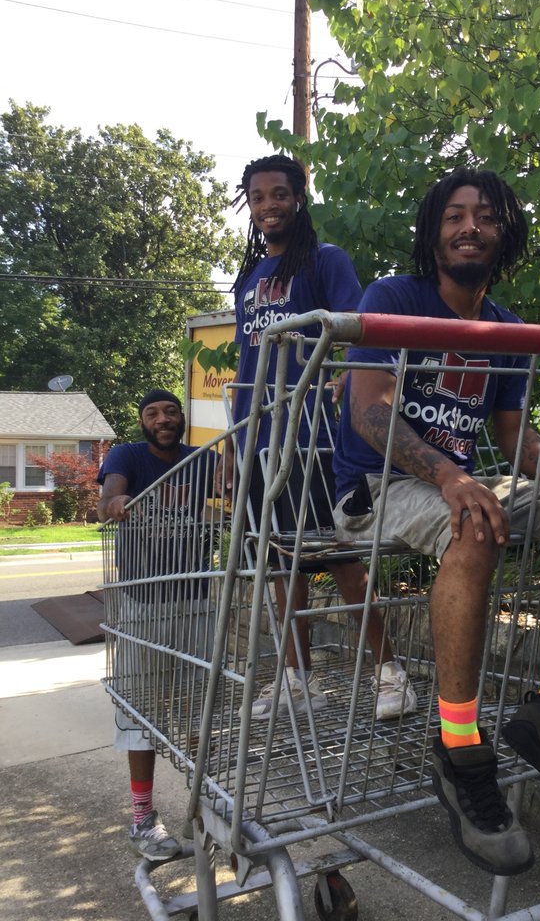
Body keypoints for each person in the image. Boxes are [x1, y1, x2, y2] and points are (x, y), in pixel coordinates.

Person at [332, 167, 540, 875]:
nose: (471, 226)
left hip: (463, 482)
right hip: (378, 486)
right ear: (433, 232)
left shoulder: (505, 328)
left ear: (506, 232)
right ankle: (460, 748)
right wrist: (448, 475)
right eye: (455, 215)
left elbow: (515, 437)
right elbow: (369, 409)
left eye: (487, 216)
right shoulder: (393, 299)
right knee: (474, 522)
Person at [223, 153, 416, 722]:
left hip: (310, 434)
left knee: (339, 555)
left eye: (279, 194)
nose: (268, 206)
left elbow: (358, 329)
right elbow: (247, 361)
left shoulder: (325, 260)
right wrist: (234, 445)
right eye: (258, 197)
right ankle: (296, 678)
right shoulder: (249, 279)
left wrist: (343, 377)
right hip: (257, 438)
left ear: (298, 199)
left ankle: (391, 673)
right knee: (281, 562)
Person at [97, 389, 215, 861]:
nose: (163, 419)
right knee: (140, 712)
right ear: (142, 422)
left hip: (196, 598)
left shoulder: (202, 458)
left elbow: (239, 483)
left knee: (201, 707)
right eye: (152, 413)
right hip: (144, 602)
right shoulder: (127, 455)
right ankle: (142, 818)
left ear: (181, 417)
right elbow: (108, 499)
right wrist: (117, 502)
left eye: (170, 411)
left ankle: (205, 802)